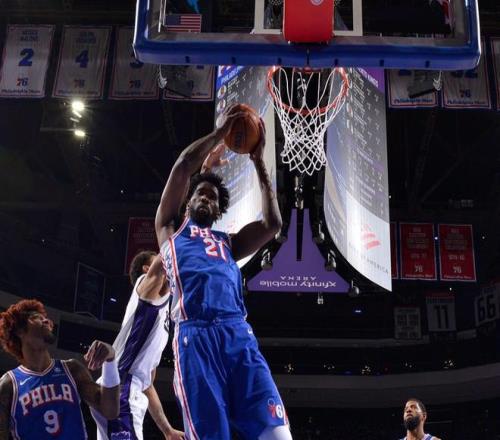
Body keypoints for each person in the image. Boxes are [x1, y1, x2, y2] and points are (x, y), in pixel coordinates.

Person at [155, 107, 292, 440]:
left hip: (237, 334)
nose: (206, 196)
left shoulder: (228, 242)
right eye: (200, 193)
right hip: (195, 336)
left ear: (218, 211)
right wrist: (220, 133)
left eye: (213, 197)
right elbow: (183, 166)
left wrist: (258, 162)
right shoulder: (170, 230)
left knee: (277, 432)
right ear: (189, 202)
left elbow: (272, 224)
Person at [91, 250, 184, 440]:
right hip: (121, 388)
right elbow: (169, 253)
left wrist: (167, 430)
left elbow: (147, 384)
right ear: (147, 269)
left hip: (122, 389)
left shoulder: (160, 316)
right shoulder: (145, 286)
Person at [0, 299, 120, 439]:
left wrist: (110, 360)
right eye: (37, 318)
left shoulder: (72, 369)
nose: (47, 321)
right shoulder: (9, 384)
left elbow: (110, 411)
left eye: (45, 318)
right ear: (19, 330)